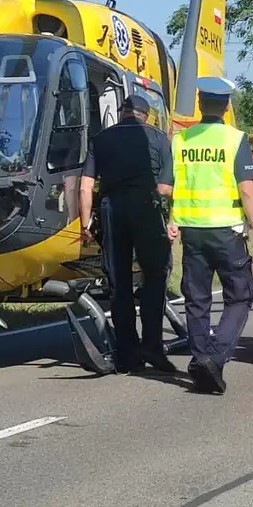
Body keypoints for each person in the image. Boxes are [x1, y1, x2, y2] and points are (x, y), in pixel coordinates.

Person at [170, 77, 253, 395]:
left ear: (200, 103)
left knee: (196, 300)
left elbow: (173, 186)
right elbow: (248, 190)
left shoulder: (181, 140)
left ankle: (200, 360)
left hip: (192, 231)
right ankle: (215, 356)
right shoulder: (235, 139)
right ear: (226, 106)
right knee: (239, 296)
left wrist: (171, 219)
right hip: (226, 230)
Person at [77, 93, 176, 374]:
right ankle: (153, 345)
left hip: (113, 210)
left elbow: (86, 187)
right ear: (146, 115)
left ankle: (127, 353)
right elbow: (166, 189)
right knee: (155, 275)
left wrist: (86, 226)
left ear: (122, 112)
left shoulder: (102, 138)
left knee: (118, 281)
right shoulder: (158, 139)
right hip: (147, 208)